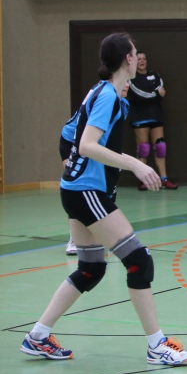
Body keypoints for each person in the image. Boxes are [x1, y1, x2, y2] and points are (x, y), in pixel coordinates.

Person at [21, 32, 187, 364]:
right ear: (128, 59)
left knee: (91, 268)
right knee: (139, 260)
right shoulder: (107, 97)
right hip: (86, 192)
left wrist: (82, 164)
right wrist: (135, 165)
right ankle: (157, 346)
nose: (137, 55)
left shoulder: (105, 93)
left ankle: (38, 336)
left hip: (77, 190)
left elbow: (72, 135)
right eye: (134, 52)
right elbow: (86, 144)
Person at [64, 81, 130, 255]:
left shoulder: (123, 104)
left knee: (108, 187)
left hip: (98, 149)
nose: (127, 85)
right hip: (73, 144)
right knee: (79, 187)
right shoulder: (103, 98)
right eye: (124, 80)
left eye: (129, 81)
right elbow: (76, 134)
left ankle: (104, 234)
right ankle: (75, 237)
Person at [126, 52, 178, 190]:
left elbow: (161, 90)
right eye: (139, 59)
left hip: (156, 115)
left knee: (160, 147)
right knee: (143, 148)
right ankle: (144, 181)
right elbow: (138, 94)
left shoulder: (155, 75)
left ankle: (163, 179)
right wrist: (155, 95)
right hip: (140, 116)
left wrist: (154, 95)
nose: (142, 61)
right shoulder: (131, 77)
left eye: (144, 59)